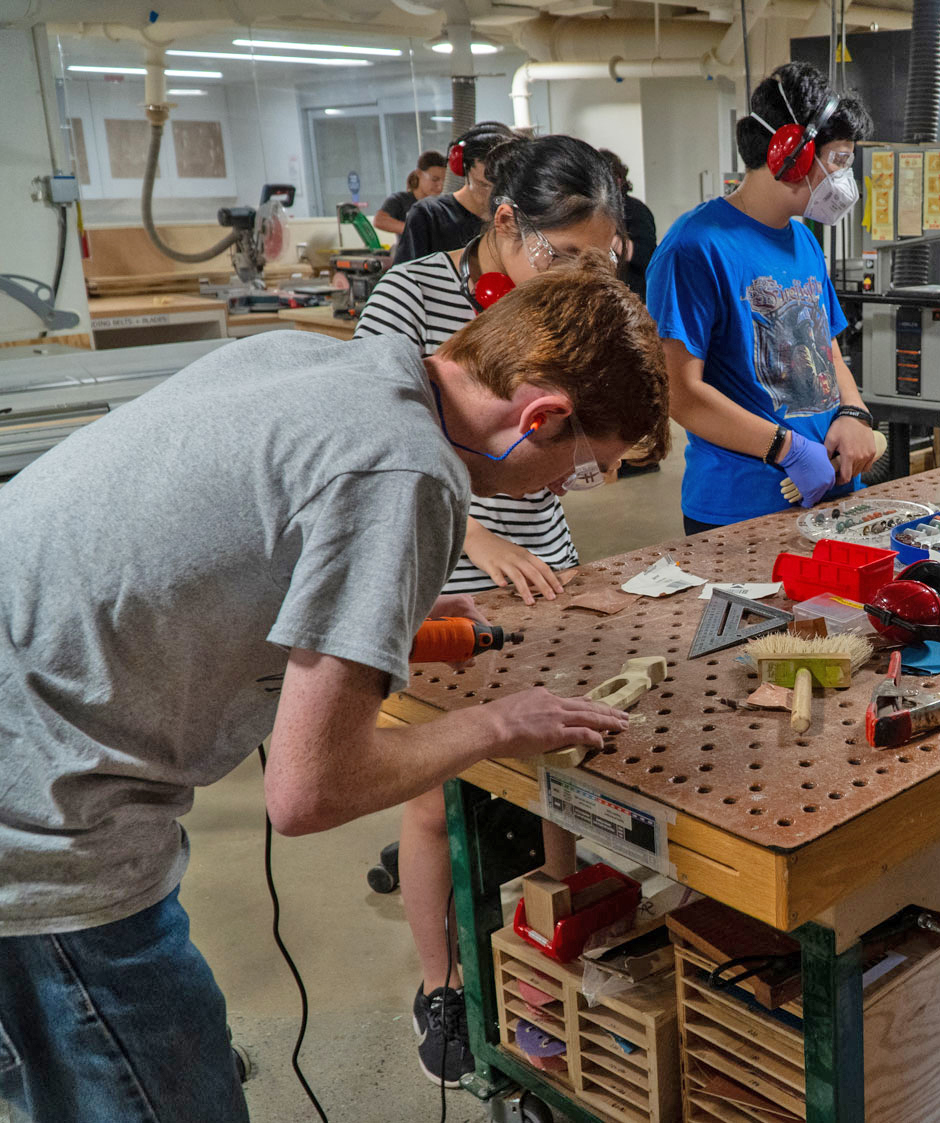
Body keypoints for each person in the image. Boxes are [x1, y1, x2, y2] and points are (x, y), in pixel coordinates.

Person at [0, 262, 668, 1122]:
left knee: (53, 1071)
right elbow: (310, 790)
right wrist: (499, 722)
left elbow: (238, 548)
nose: (560, 489)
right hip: (38, 819)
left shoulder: (315, 358)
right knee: (161, 1086)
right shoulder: (408, 473)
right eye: (579, 468)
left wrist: (388, 606)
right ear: (540, 417)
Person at [353, 133, 625, 1085]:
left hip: (542, 561)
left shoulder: (571, 296)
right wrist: (477, 535)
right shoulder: (414, 295)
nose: (579, 276)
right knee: (432, 796)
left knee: (549, 770)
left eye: (598, 257)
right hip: (442, 561)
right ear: (506, 222)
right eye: (563, 255)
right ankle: (446, 986)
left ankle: (553, 955)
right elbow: (384, 445)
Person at [646, 62, 877, 532]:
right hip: (742, 505)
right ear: (789, 154)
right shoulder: (694, 247)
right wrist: (786, 448)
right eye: (838, 160)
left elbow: (825, 345)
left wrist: (853, 412)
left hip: (833, 490)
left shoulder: (803, 238)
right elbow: (679, 393)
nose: (844, 180)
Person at [393, 122, 517, 264]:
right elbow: (404, 278)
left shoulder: (517, 215)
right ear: (464, 169)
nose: (493, 195)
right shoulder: (429, 215)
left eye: (501, 186)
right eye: (483, 185)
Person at [599, 149, 658, 302]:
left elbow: (648, 257)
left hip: (633, 295)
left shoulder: (636, 210)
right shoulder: (593, 211)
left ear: (619, 180)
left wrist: (612, 239)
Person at [374, 150, 448, 237]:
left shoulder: (442, 204)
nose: (440, 186)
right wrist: (416, 230)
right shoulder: (400, 200)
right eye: (435, 179)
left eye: (443, 181)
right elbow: (379, 221)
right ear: (419, 173)